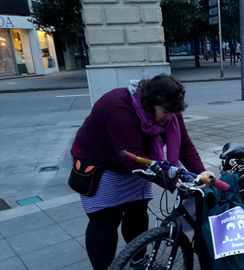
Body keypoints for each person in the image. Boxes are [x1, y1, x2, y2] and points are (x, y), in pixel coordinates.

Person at [71, 74, 213, 269]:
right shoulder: (119, 108)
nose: (170, 117)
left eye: (174, 112)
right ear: (150, 102)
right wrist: (175, 180)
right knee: (105, 220)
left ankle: (138, 260)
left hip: (140, 161)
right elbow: (131, 159)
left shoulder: (170, 107)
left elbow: (184, 146)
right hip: (101, 163)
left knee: (137, 211)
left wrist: (201, 173)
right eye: (165, 112)